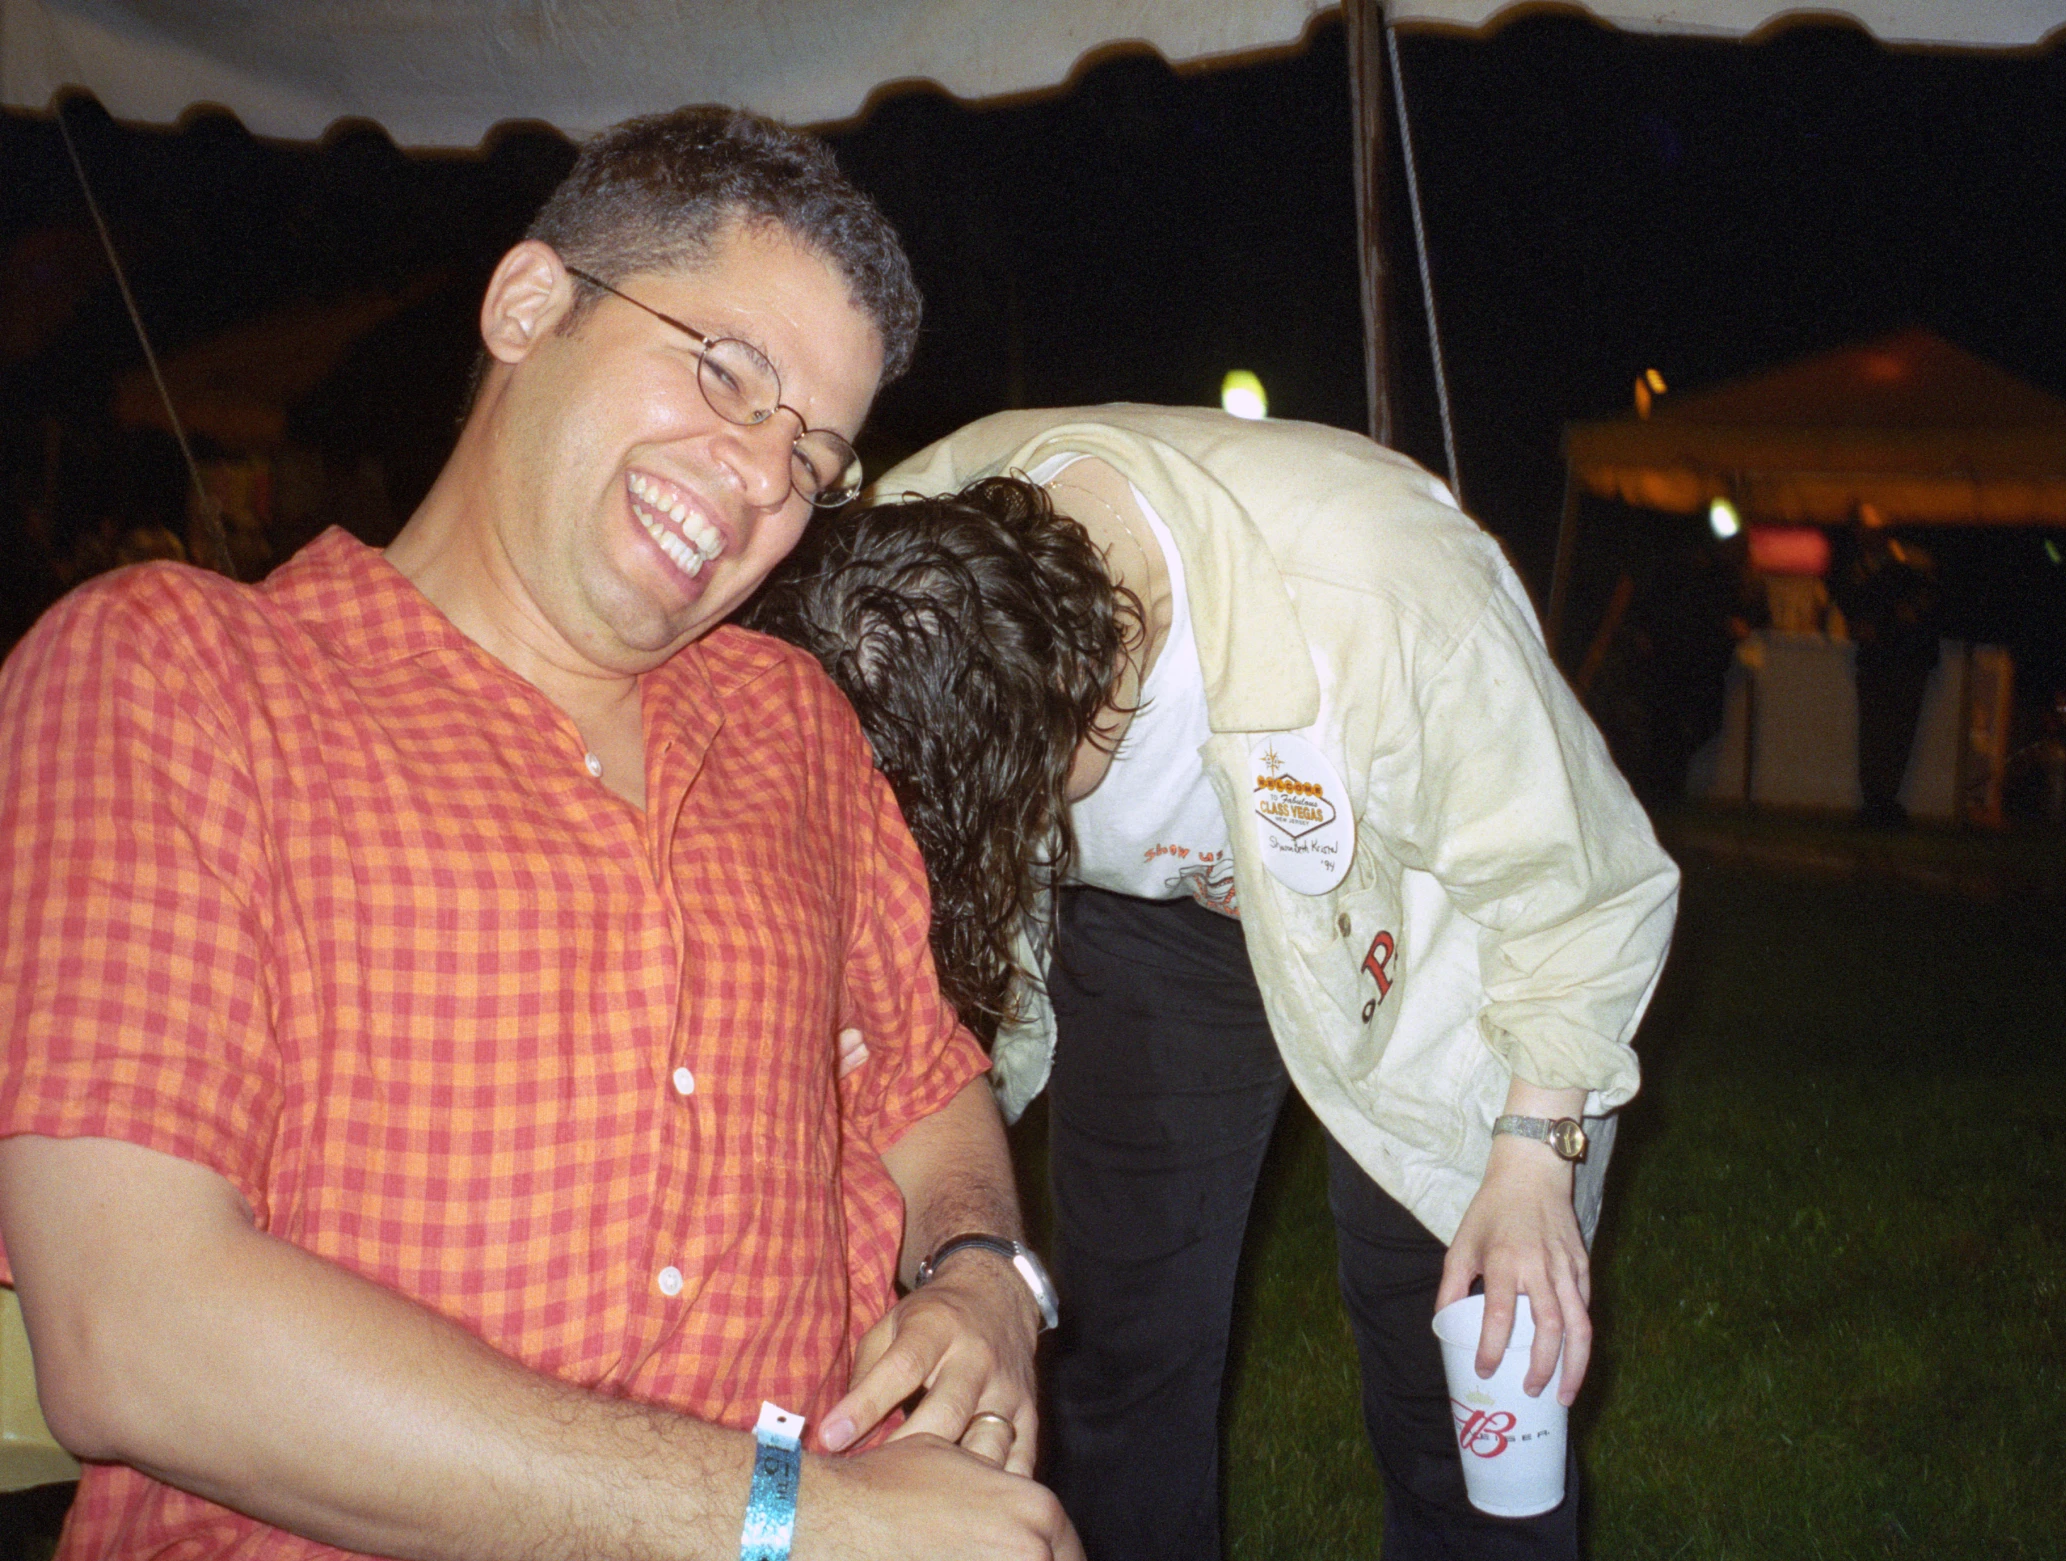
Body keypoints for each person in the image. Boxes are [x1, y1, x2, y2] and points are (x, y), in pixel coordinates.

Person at [0, 108, 1078, 1561]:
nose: (766, 482)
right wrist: (793, 1523)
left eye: (814, 460)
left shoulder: (792, 722)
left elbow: (924, 1081)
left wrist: (984, 1275)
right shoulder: (174, 676)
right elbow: (130, 1332)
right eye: (723, 373)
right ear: (529, 305)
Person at [756, 406, 1680, 1560]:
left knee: (1452, 1372)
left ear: (1084, 690)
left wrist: (1536, 1155)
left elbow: (1584, 882)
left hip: (1427, 924)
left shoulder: (1382, 592)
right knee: (1116, 1348)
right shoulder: (889, 592)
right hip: (1159, 937)